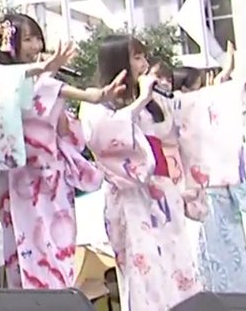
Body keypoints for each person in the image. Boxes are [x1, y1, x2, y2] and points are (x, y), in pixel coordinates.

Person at [0, 13, 113, 290]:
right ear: (9, 44)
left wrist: (86, 100)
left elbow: (71, 130)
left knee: (55, 246)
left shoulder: (47, 83)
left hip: (49, 176)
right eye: (28, 39)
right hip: (18, 174)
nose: (35, 46)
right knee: (23, 248)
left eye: (37, 39)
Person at [79, 34, 206, 311]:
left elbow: (184, 121)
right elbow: (104, 136)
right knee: (144, 271)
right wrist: (139, 102)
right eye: (137, 57)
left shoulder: (153, 99)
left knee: (177, 266)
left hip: (163, 193)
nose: (144, 64)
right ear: (118, 62)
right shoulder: (95, 103)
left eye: (143, 57)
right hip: (129, 196)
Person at [173, 47, 246, 293]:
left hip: (219, 194)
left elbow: (218, 99)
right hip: (200, 199)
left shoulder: (190, 106)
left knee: (232, 267)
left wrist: (233, 75)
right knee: (209, 270)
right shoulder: (177, 106)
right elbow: (216, 99)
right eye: (197, 87)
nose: (202, 92)